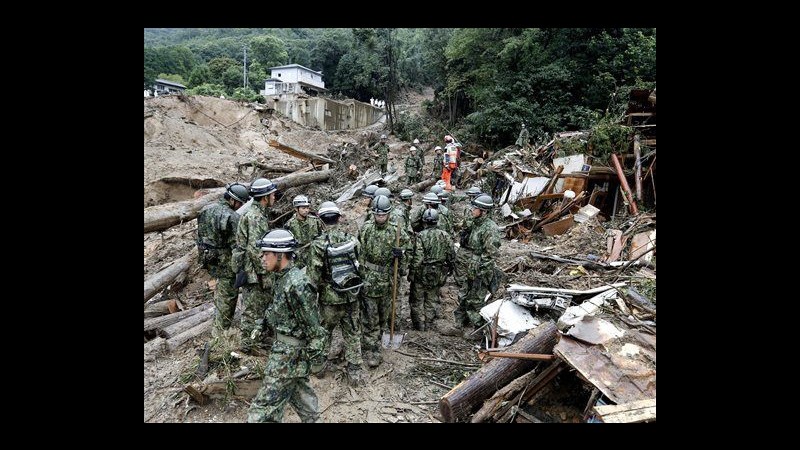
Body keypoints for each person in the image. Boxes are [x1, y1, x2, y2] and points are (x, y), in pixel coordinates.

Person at [247, 229, 328, 423]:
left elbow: (314, 329)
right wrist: (262, 324)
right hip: (287, 354)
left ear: (281, 255)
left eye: (266, 253)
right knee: (304, 401)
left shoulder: (297, 284)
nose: (262, 258)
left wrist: (318, 361)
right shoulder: (282, 278)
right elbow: (277, 308)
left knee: (262, 411)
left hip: (287, 357)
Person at [306, 201, 366, 386]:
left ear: (321, 220)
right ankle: (355, 371)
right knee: (352, 332)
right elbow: (361, 268)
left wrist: (311, 296)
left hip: (329, 299)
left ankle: (319, 367)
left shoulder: (318, 244)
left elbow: (313, 275)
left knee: (324, 332)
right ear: (339, 218)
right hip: (351, 295)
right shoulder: (352, 240)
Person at [357, 195, 410, 368]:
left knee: (383, 315)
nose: (380, 218)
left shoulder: (397, 231)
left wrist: (400, 254)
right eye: (377, 215)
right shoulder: (366, 229)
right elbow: (359, 252)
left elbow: (409, 251)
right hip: (369, 280)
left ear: (388, 214)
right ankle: (371, 350)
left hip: (388, 281)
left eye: (383, 215)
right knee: (369, 317)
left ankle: (378, 339)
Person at [196, 183, 250, 331]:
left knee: (220, 294)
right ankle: (221, 331)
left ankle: (218, 324)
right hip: (226, 264)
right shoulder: (232, 217)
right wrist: (241, 268)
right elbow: (237, 246)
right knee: (228, 297)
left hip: (209, 259)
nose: (239, 206)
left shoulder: (205, 209)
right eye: (240, 203)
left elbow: (200, 237)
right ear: (234, 200)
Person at [234, 178, 278, 354]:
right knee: (253, 309)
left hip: (254, 270)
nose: (275, 197)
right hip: (255, 272)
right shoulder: (255, 217)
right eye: (272, 195)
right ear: (265, 197)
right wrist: (266, 272)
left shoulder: (257, 214)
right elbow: (255, 249)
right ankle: (248, 345)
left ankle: (256, 340)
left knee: (257, 307)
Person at [455, 195, 501, 336]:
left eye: (475, 208)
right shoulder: (474, 223)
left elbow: (491, 254)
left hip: (480, 269)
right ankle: (459, 324)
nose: (472, 210)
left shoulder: (490, 228)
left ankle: (478, 331)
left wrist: (479, 272)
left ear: (483, 211)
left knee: (475, 300)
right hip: (470, 266)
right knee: (463, 295)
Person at [409, 209, 455, 331]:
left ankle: (419, 325)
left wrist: (412, 272)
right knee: (432, 298)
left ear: (424, 221)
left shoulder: (420, 236)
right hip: (438, 271)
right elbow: (451, 255)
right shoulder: (445, 236)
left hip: (421, 271)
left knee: (417, 299)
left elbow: (418, 256)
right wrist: (450, 268)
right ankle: (428, 323)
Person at [284, 194, 323, 269]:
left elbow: (322, 237)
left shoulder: (315, 221)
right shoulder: (289, 224)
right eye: (303, 208)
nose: (306, 210)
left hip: (314, 256)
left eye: (307, 208)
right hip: (298, 259)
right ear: (296, 209)